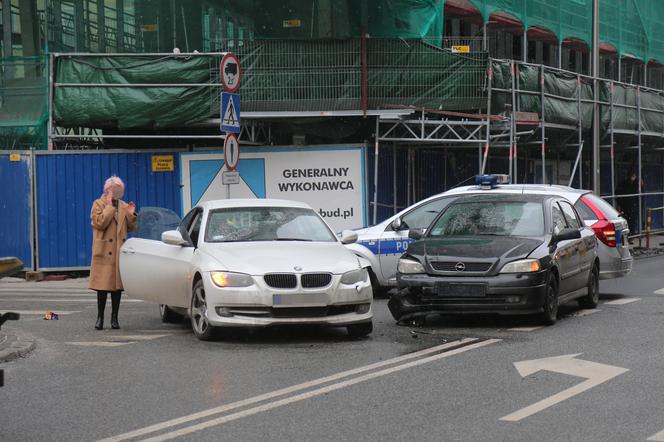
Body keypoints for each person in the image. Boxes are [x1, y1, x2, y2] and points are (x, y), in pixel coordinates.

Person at [89, 176, 137, 330]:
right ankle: (100, 318)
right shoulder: (98, 203)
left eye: (120, 190)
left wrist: (130, 214)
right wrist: (109, 206)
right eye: (115, 189)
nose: (118, 193)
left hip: (118, 252)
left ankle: (114, 319)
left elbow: (129, 228)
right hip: (104, 252)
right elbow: (99, 223)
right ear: (107, 189)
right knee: (102, 288)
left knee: (117, 289)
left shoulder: (123, 205)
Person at [616, 169, 643, 235]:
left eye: (634, 176)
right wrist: (620, 203)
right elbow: (618, 193)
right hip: (625, 205)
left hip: (633, 206)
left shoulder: (637, 183)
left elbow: (640, 194)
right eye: (632, 176)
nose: (633, 177)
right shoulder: (624, 183)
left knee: (632, 221)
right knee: (626, 221)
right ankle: (627, 235)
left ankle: (631, 235)